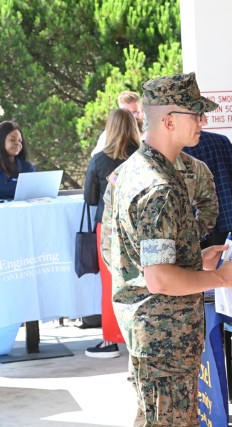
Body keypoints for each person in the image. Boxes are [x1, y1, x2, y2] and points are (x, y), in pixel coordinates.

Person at [105, 72, 232, 426]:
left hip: (151, 336)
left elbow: (136, 260)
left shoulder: (134, 171)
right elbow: (160, 280)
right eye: (195, 114)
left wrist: (194, 260)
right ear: (169, 121)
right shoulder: (160, 186)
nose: (203, 121)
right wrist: (219, 277)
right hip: (164, 342)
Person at [83, 108, 140, 358]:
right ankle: (139, 335)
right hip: (139, 225)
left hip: (107, 228)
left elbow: (90, 198)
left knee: (110, 282)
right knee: (141, 279)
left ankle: (110, 340)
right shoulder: (144, 156)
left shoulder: (99, 159)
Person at [183, 130, 232, 247]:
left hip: (194, 230)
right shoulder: (221, 140)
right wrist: (226, 198)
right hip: (230, 222)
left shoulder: (174, 150)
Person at [91, 90, 145, 157]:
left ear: (142, 110)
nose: (131, 118)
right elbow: (97, 158)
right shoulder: (110, 134)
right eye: (126, 114)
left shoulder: (153, 130)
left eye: (135, 112)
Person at [0, 121, 35, 200]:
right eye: (12, 140)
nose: (17, 143)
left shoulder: (27, 168)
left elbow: (34, 197)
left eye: (20, 141)